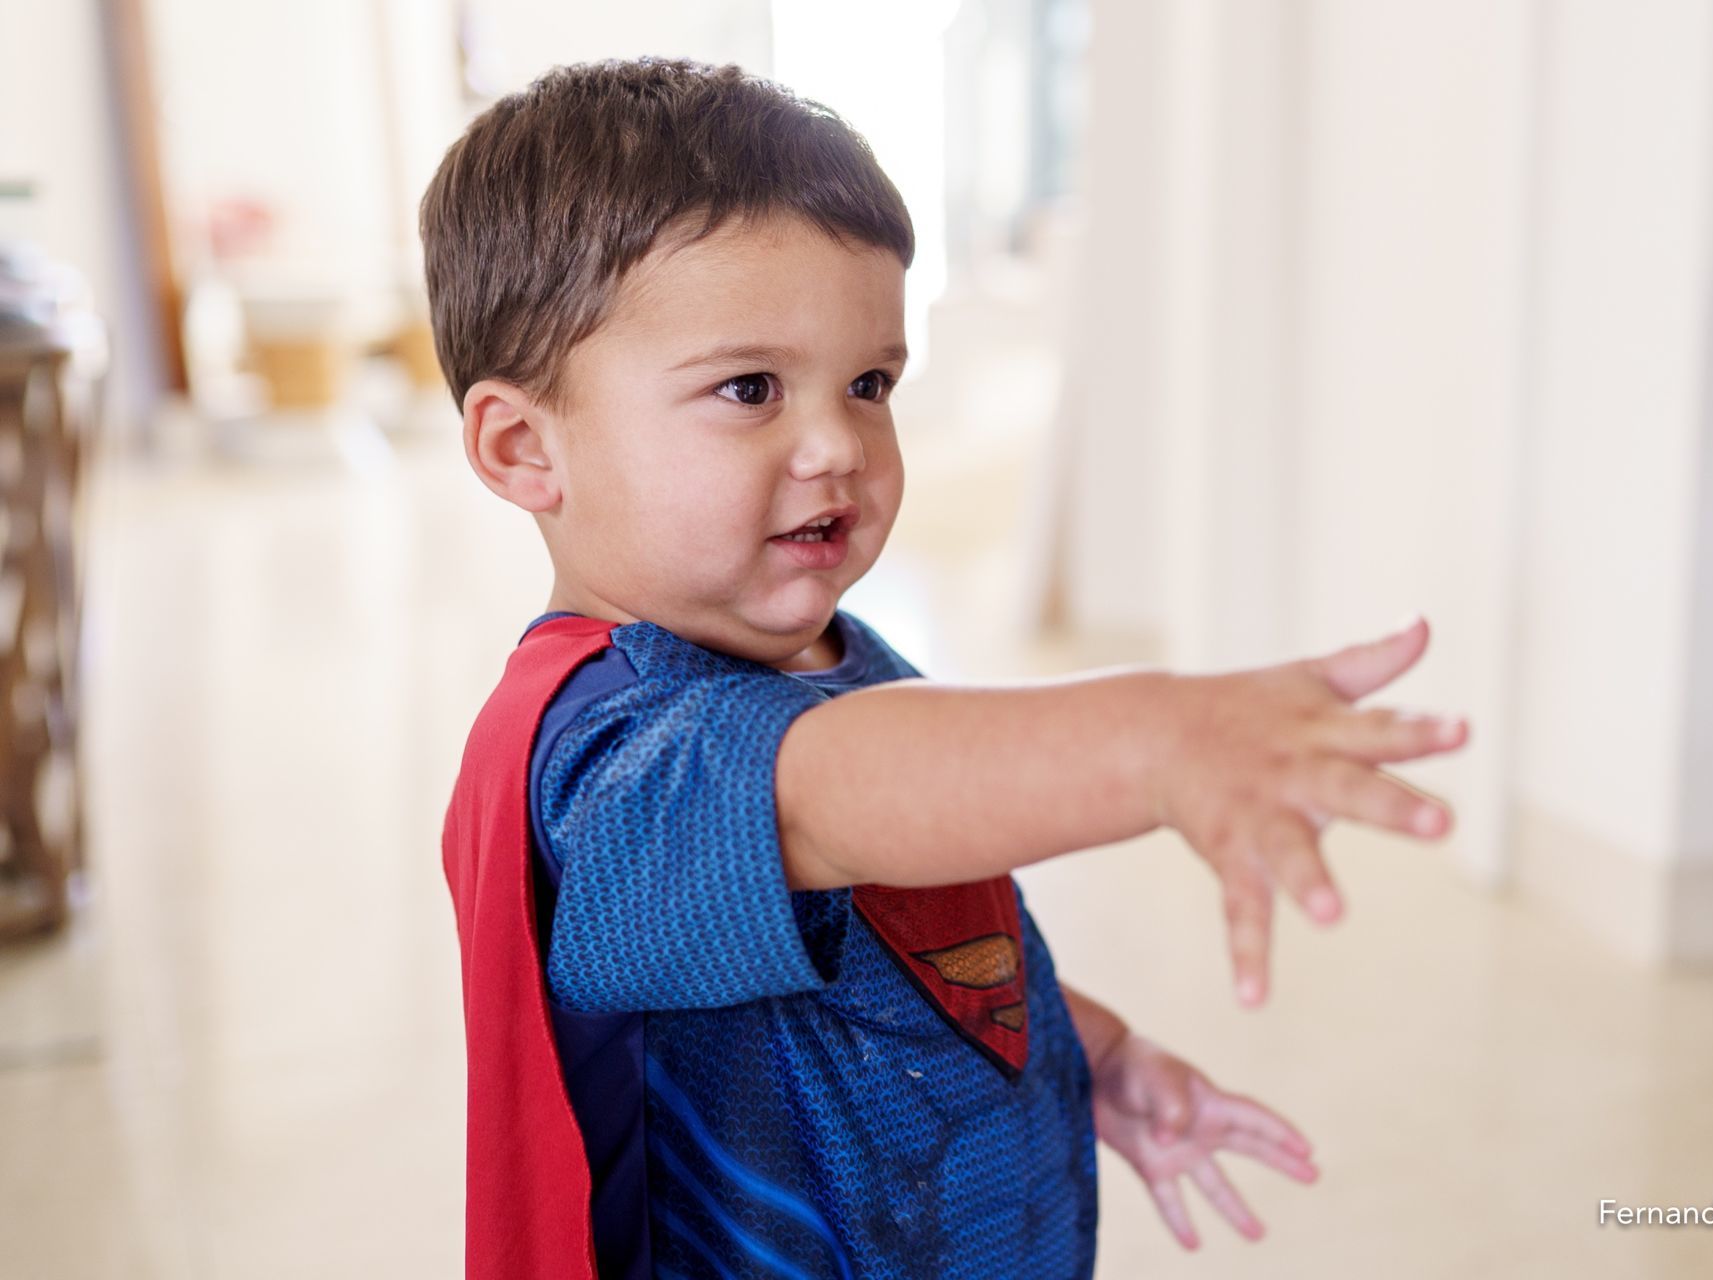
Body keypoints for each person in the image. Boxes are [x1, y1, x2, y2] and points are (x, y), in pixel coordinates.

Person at [427, 57, 1470, 1280]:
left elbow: (917, 944)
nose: (837, 444)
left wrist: (1100, 1055)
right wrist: (1154, 735)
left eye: (870, 383)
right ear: (522, 446)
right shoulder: (602, 763)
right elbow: (828, 790)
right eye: (749, 387)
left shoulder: (839, 657)